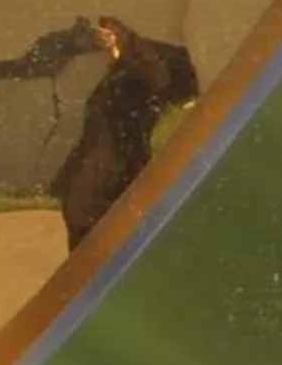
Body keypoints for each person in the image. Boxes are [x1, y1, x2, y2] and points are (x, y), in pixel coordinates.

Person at [55, 15, 198, 251]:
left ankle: (95, 265)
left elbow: (151, 80)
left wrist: (119, 49)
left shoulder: (137, 72)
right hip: (107, 149)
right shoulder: (118, 73)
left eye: (107, 35)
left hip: (120, 152)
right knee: (79, 208)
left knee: (87, 209)